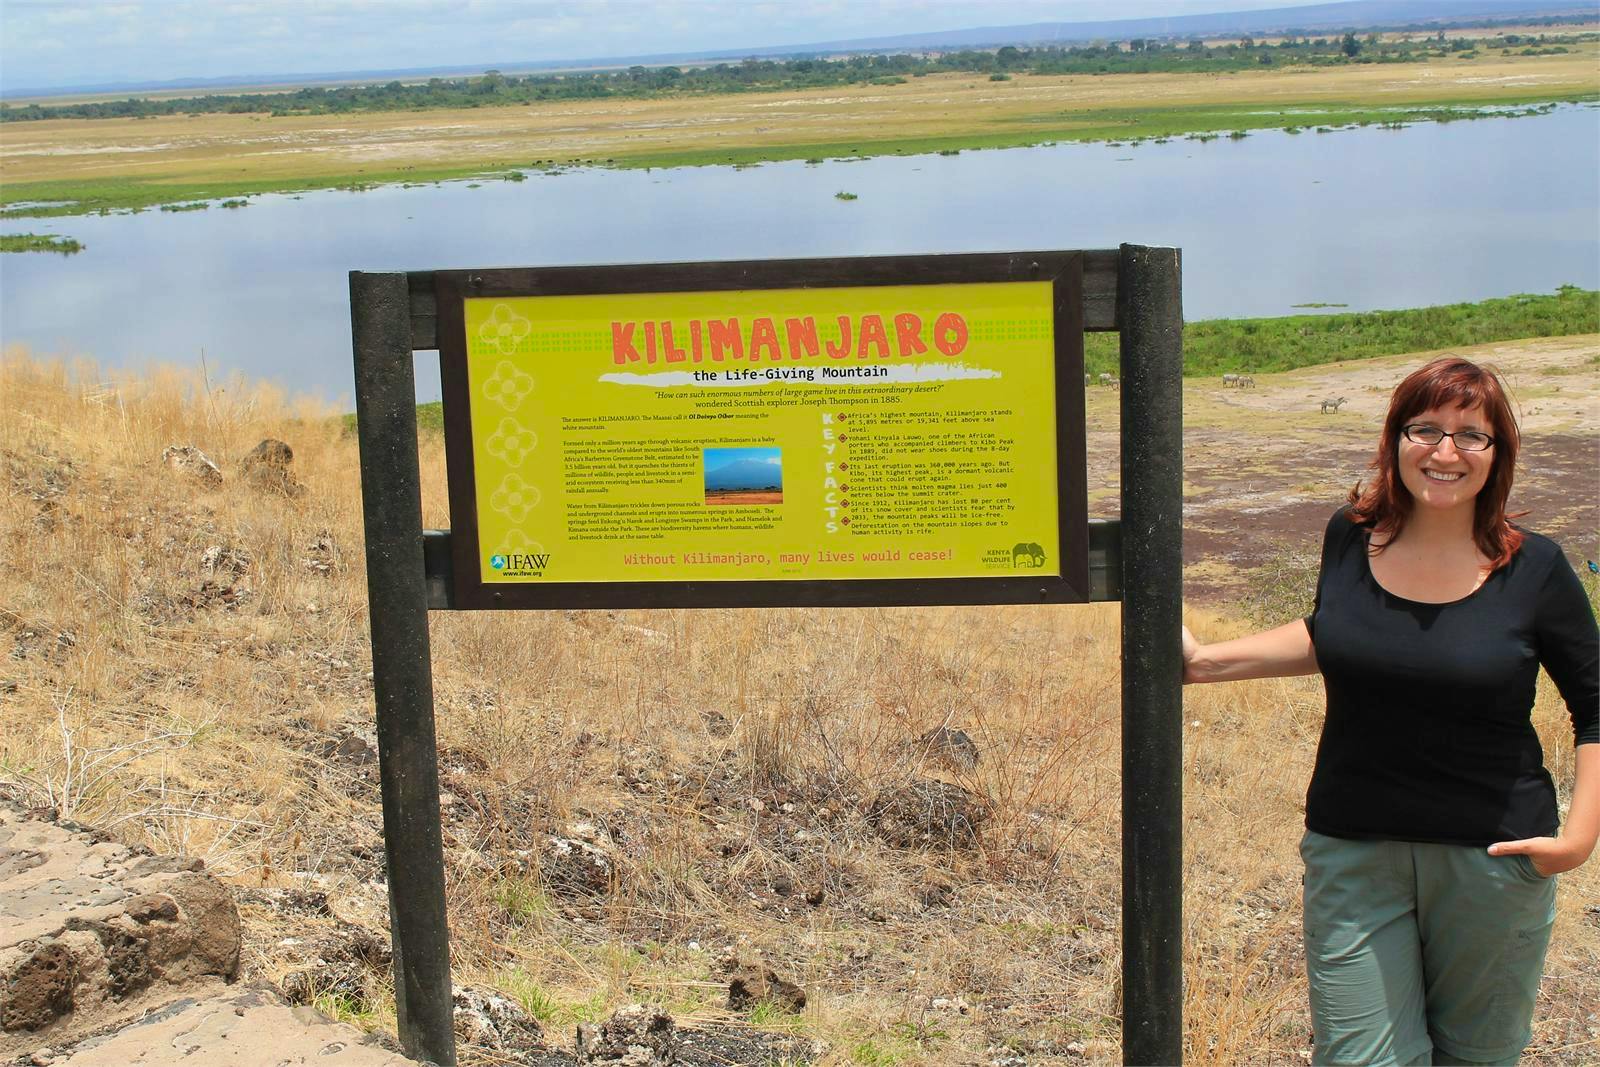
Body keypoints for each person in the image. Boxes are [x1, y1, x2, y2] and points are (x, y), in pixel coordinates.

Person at [1181, 356, 1598, 1067]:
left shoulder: (1535, 568)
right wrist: (1204, 661)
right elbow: (1338, 633)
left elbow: (1594, 704)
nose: (1444, 451)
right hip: (1354, 851)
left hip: (1490, 859)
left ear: (1498, 454)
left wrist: (1578, 838)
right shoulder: (1349, 535)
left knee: (1475, 1058)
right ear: (1395, 437)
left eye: (1472, 434)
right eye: (1425, 428)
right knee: (1357, 1057)